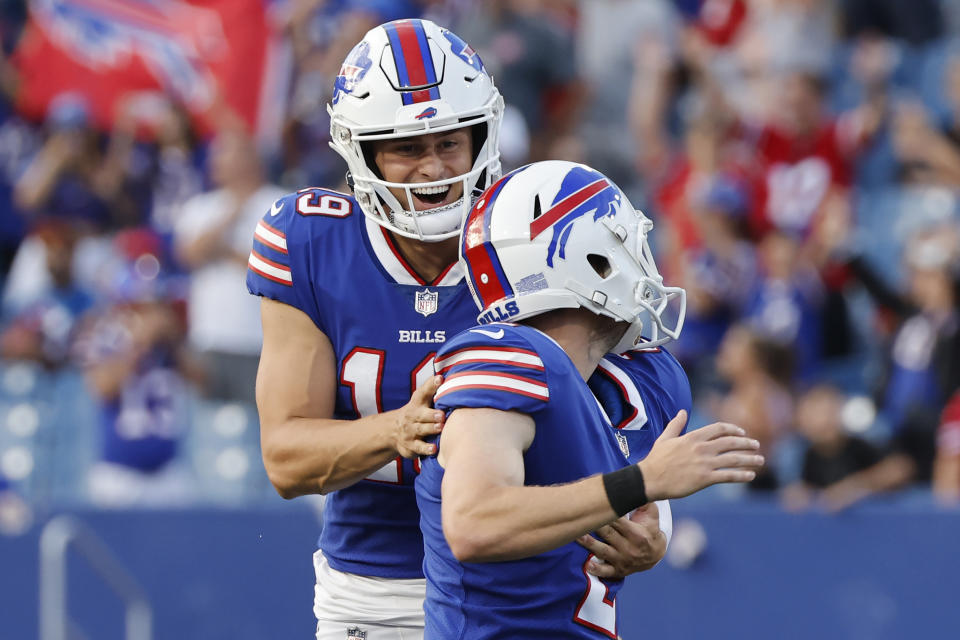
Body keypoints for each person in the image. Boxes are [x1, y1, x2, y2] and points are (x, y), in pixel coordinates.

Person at [247, 19, 672, 639]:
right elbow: (285, 459)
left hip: (520, 581)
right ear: (360, 151)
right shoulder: (310, 241)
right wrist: (398, 428)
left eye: (451, 143)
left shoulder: (528, 230)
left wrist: (655, 518)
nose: (434, 168)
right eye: (408, 148)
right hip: (376, 591)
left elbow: (625, 390)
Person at [415, 160, 763, 637]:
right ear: (593, 262)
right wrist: (642, 482)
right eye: (625, 242)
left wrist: (652, 542)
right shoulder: (509, 357)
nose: (645, 259)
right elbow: (474, 524)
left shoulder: (647, 377)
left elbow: (637, 511)